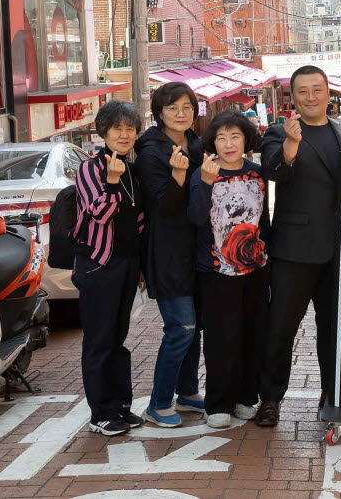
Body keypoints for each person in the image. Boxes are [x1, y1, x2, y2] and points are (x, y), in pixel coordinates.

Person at [256, 65, 341, 427]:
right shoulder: (278, 132)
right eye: (302, 91)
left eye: (316, 90)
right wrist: (291, 144)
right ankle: (270, 399)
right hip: (293, 250)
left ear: (328, 92)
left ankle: (332, 394)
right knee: (280, 328)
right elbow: (274, 172)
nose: (310, 97)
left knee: (334, 329)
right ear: (293, 96)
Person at [189, 111, 270, 429]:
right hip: (215, 271)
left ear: (246, 140)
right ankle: (218, 404)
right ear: (213, 143)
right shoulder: (204, 173)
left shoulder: (257, 173)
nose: (228, 143)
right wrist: (207, 184)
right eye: (221, 138)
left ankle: (246, 398)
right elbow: (195, 219)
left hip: (255, 268)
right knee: (222, 338)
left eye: (235, 136)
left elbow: (263, 220)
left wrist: (269, 258)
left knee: (253, 334)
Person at [72, 100, 145, 436]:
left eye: (130, 128)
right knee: (99, 340)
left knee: (118, 338)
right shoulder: (91, 168)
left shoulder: (131, 166)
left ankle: (120, 406)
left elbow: (138, 219)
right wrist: (112, 182)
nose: (124, 134)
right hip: (98, 266)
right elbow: (100, 213)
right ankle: (100, 413)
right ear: (104, 131)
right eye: (118, 128)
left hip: (127, 264)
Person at [135, 82, 206, 427]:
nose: (181, 114)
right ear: (159, 113)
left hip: (197, 247)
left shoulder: (196, 143)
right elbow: (162, 207)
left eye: (187, 107)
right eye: (172, 107)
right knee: (182, 327)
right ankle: (159, 402)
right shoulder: (149, 151)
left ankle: (188, 392)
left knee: (196, 326)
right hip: (165, 248)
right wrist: (179, 174)